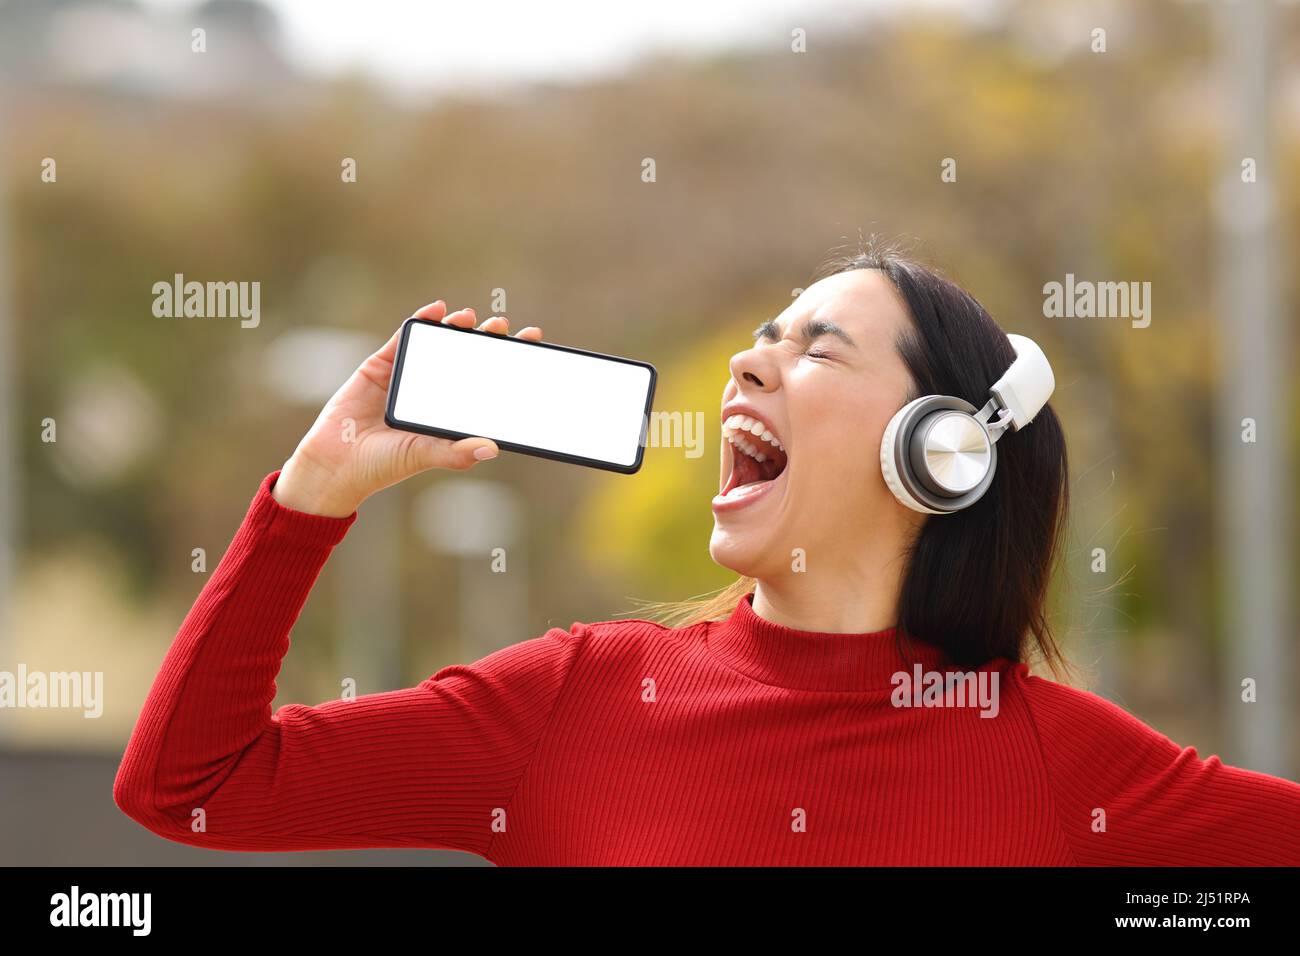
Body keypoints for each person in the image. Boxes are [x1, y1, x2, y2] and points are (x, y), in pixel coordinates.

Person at [113, 246, 1300, 865]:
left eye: (817, 350)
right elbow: (191, 787)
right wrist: (311, 496)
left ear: (941, 452)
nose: (747, 364)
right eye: (758, 340)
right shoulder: (573, 698)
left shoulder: (1060, 761)